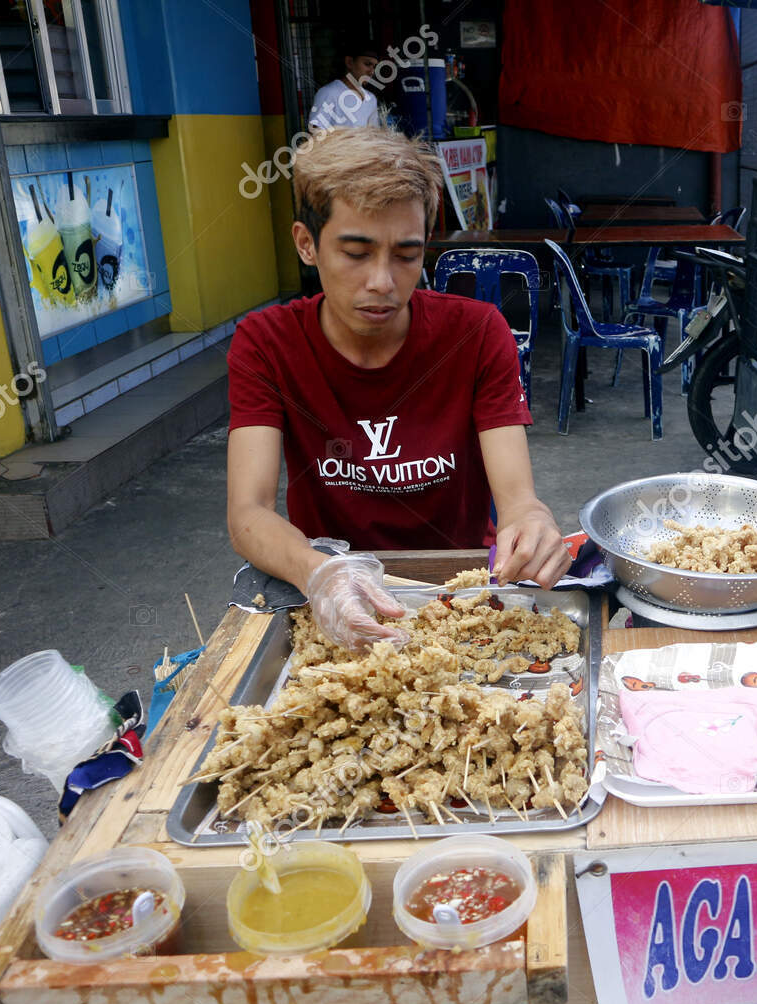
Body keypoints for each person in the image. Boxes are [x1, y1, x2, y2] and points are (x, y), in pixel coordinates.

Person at [227, 128, 568, 648]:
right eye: (356, 253)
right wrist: (318, 573)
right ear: (306, 244)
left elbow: (518, 498)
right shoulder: (267, 343)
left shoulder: (476, 333)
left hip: (462, 592)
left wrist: (533, 521)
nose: (382, 282)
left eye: (406, 255)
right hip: (328, 591)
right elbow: (248, 513)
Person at [309, 40, 385, 131]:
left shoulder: (371, 99)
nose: (371, 71)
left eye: (374, 66)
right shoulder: (328, 93)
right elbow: (316, 132)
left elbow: (374, 133)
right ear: (349, 62)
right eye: (367, 64)